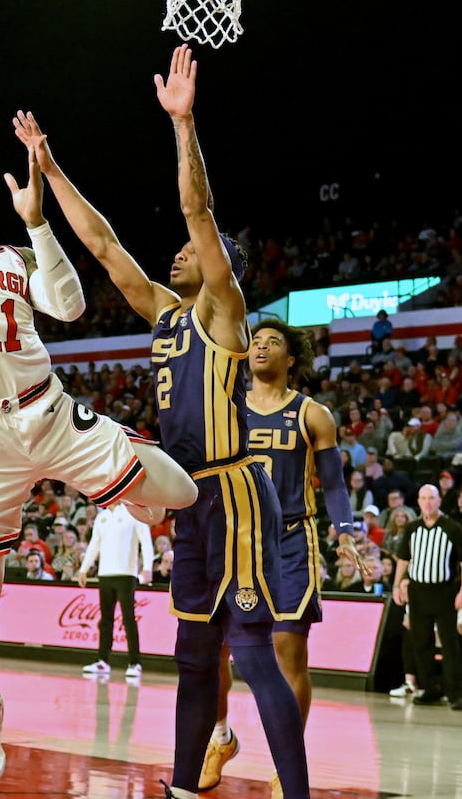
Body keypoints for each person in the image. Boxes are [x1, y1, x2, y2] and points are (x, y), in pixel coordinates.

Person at [0, 0, 197, 786]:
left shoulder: (10, 259)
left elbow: (70, 304)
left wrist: (37, 223)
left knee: (180, 493)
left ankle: (118, 480)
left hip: (49, 413)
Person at [13, 43, 310, 798]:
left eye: (188, 253)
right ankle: (183, 787)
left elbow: (197, 210)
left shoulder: (222, 307)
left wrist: (182, 125)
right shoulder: (163, 313)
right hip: (186, 495)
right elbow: (104, 245)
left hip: (237, 489)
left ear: (217, 267)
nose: (175, 255)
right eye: (176, 253)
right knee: (190, 652)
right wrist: (50, 174)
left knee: (250, 649)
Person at [199, 319, 369, 791]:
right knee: (213, 650)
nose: (261, 347)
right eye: (256, 341)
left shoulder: (313, 414)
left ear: (290, 358)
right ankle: (220, 737)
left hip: (291, 539)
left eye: (273, 342)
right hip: (234, 539)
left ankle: (285, 765)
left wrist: (346, 533)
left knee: (290, 654)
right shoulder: (227, 409)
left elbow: (333, 484)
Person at [393, 484, 462, 709]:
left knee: (450, 643)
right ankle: (430, 688)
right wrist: (396, 586)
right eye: (423, 498)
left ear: (439, 501)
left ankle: (455, 693)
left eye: (431, 498)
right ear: (419, 502)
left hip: (444, 592)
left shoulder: (453, 528)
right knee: (421, 642)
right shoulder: (412, 529)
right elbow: (403, 559)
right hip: (418, 592)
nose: (427, 502)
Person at [77, 500, 154, 679]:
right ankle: (102, 660)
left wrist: (147, 567)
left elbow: (146, 540)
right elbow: (94, 544)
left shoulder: (134, 512)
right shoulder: (102, 517)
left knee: (128, 619)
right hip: (105, 574)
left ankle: (135, 663)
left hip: (126, 574)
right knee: (105, 620)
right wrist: (83, 568)